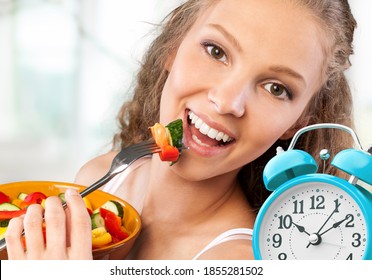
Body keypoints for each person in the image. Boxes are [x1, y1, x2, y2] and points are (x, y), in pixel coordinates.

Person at [5, 0, 357, 260]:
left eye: (276, 88)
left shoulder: (237, 261)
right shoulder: (101, 176)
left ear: (298, 122)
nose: (226, 101)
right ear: (172, 49)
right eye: (216, 51)